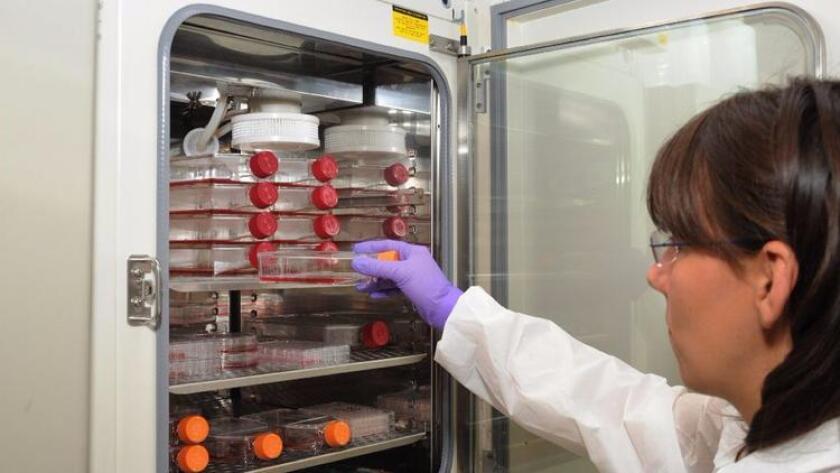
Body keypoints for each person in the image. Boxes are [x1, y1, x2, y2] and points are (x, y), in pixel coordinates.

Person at [351, 78, 840, 472]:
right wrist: (454, 310)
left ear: (770, 279)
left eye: (678, 246)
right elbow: (613, 408)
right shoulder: (753, 425)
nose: (656, 276)